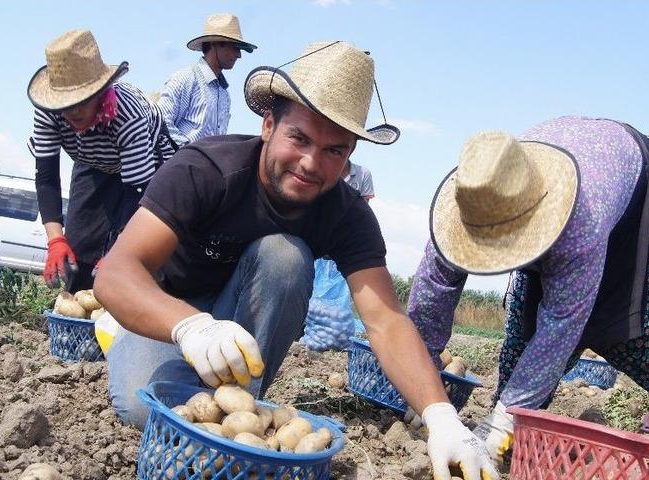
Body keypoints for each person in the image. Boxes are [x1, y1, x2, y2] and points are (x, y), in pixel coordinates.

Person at [95, 41, 498, 480]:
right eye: (299, 138)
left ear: (349, 156)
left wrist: (441, 416)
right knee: (142, 409)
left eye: (333, 150)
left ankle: (239, 406)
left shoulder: (347, 215)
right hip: (169, 308)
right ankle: (126, 332)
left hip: (240, 321)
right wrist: (192, 327)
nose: (310, 163)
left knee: (285, 256)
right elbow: (116, 273)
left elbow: (385, 320)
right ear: (268, 125)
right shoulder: (206, 169)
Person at [406, 117, 649, 468]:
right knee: (523, 336)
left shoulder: (578, 222)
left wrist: (506, 418)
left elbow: (562, 322)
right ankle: (514, 439)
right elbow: (430, 298)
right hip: (580, 185)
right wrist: (425, 393)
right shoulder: (470, 202)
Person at [27, 29, 175, 292]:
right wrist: (55, 240)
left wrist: (120, 250)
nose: (73, 111)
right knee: (79, 245)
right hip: (92, 161)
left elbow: (137, 193)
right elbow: (47, 177)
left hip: (145, 165)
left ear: (100, 90)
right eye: (66, 104)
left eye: (81, 101)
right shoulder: (49, 111)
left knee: (132, 256)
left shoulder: (128, 115)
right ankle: (76, 300)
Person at [301, 159, 375, 350]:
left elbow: (362, 212)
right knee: (309, 290)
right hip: (318, 242)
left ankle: (325, 336)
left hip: (343, 246)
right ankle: (303, 328)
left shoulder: (362, 174)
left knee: (335, 297)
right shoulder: (320, 168)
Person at [158, 13, 256, 148]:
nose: (239, 55)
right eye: (235, 47)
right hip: (181, 159)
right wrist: (190, 153)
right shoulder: (186, 79)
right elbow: (161, 122)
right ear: (215, 44)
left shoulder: (224, 95)